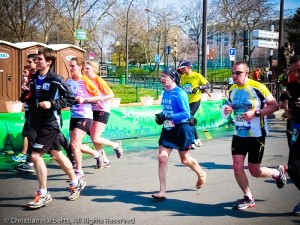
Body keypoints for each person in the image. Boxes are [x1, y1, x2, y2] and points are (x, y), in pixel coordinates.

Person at [20, 48, 86, 209]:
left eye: (39, 59)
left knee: (36, 156)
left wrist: (52, 104)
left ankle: (43, 193)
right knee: (56, 154)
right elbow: (28, 99)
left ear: (48, 62)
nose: (36, 61)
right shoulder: (34, 78)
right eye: (35, 59)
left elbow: (70, 98)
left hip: (50, 123)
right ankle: (75, 182)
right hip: (36, 122)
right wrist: (25, 94)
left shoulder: (56, 79)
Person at [222, 61, 287, 210]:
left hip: (256, 134)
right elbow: (227, 106)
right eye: (233, 73)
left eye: (238, 73)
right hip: (238, 133)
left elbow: (274, 105)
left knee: (254, 171)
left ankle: (277, 172)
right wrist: (226, 110)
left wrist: (256, 113)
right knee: (237, 165)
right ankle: (248, 197)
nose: (234, 76)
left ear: (246, 73)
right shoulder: (232, 89)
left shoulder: (258, 87)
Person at [151, 67, 206, 200]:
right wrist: (161, 115)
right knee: (162, 158)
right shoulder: (165, 92)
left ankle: (201, 173)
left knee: (185, 159)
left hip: (182, 128)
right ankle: (162, 191)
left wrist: (168, 116)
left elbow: (186, 114)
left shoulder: (179, 93)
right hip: (168, 129)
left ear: (173, 78)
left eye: (166, 76)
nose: (162, 78)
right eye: (162, 76)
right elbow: (167, 110)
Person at [66, 57, 104, 179]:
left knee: (75, 143)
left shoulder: (85, 81)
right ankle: (96, 154)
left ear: (79, 67)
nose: (71, 68)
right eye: (70, 66)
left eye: (73, 66)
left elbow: (98, 97)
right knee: (73, 144)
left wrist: (84, 99)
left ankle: (79, 171)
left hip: (85, 116)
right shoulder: (68, 81)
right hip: (74, 115)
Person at [84, 60, 123, 167]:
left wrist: (100, 99)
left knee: (96, 138)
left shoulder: (98, 80)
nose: (85, 70)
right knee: (94, 137)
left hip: (102, 110)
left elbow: (111, 94)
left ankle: (116, 145)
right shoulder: (86, 80)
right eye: (85, 68)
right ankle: (105, 160)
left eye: (88, 68)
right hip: (93, 110)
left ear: (94, 69)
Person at [14, 54, 38, 173]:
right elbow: (26, 97)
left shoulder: (40, 77)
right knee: (30, 135)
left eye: (29, 62)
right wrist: (25, 93)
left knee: (30, 134)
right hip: (32, 110)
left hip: (40, 113)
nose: (28, 64)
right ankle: (29, 162)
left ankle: (27, 158)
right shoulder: (31, 77)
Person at [178, 61, 211, 148]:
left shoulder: (197, 75)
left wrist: (199, 87)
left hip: (195, 100)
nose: (181, 70)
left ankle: (192, 141)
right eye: (181, 69)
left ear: (189, 67)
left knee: (189, 117)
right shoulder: (183, 77)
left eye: (183, 68)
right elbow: (182, 88)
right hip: (187, 101)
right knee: (189, 119)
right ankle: (196, 139)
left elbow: (208, 85)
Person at [285, 55, 300, 216]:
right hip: (298, 128)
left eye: (299, 71)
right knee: (293, 168)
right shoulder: (293, 85)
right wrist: (287, 110)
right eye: (294, 71)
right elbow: (284, 97)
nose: (297, 74)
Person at [11, 65, 31, 163]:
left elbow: (31, 97)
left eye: (25, 73)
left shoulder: (32, 82)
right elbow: (22, 99)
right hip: (28, 111)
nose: (24, 75)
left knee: (26, 133)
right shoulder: (25, 83)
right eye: (23, 73)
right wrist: (24, 92)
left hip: (33, 112)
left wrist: (27, 91)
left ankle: (24, 154)